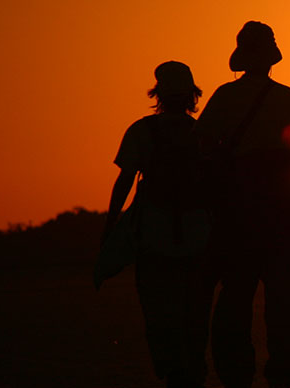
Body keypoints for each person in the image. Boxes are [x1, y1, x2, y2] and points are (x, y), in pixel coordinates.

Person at [196, 21, 290, 388]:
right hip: (282, 202)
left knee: (236, 291)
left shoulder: (224, 96)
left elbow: (202, 148)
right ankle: (282, 366)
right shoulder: (287, 96)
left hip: (237, 207)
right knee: (287, 291)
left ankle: (237, 372)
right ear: (271, 58)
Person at [102, 61, 211, 388]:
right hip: (198, 236)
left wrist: (111, 225)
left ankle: (173, 371)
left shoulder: (141, 130)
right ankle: (193, 371)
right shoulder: (204, 133)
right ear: (192, 95)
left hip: (153, 235)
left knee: (159, 312)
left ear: (158, 93)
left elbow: (124, 180)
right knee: (195, 312)